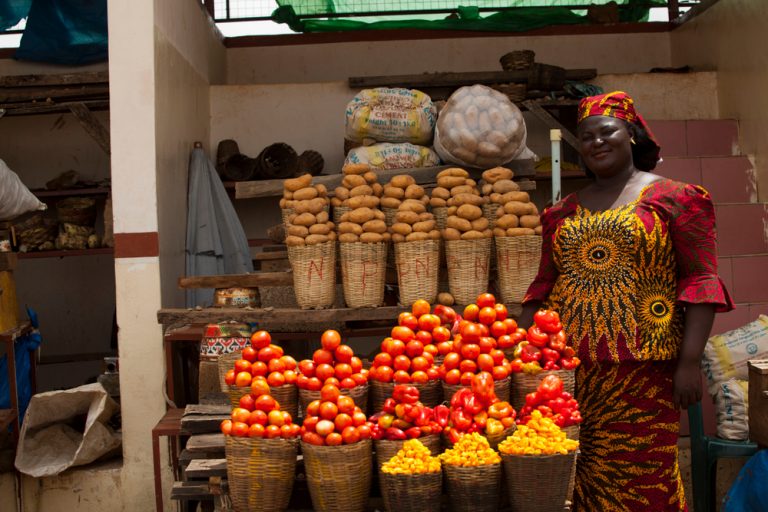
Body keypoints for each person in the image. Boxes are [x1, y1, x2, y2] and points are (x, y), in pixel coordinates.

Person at [518, 91, 733, 511]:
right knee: (578, 481)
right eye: (586, 136)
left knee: (645, 478)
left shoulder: (677, 199)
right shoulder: (560, 213)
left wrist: (689, 362)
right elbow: (542, 285)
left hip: (646, 370)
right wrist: (518, 354)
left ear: (631, 135)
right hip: (572, 377)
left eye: (606, 131)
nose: (596, 141)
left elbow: (700, 281)